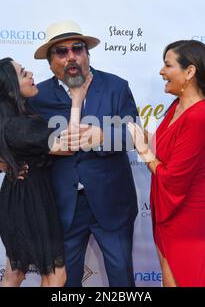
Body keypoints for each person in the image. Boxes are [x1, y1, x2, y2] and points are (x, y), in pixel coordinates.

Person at [28, 20, 138, 287]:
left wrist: (102, 136)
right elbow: (21, 142)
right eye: (61, 52)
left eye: (77, 49)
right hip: (62, 207)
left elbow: (134, 136)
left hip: (112, 203)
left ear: (87, 54)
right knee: (66, 283)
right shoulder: (36, 96)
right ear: (50, 61)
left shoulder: (115, 86)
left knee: (122, 277)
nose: (71, 56)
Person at [0, 57, 91, 287]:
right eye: (22, 73)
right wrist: (77, 99)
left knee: (14, 272)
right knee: (55, 275)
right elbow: (70, 145)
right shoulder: (19, 125)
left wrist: (3, 160)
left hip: (23, 196)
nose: (29, 75)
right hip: (30, 202)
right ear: (10, 89)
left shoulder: (13, 118)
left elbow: (10, 149)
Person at [128, 40, 205, 287]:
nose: (162, 71)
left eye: (167, 65)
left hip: (188, 216)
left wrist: (143, 150)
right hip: (168, 211)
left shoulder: (200, 116)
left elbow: (173, 177)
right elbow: (167, 146)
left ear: (190, 71)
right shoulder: (177, 106)